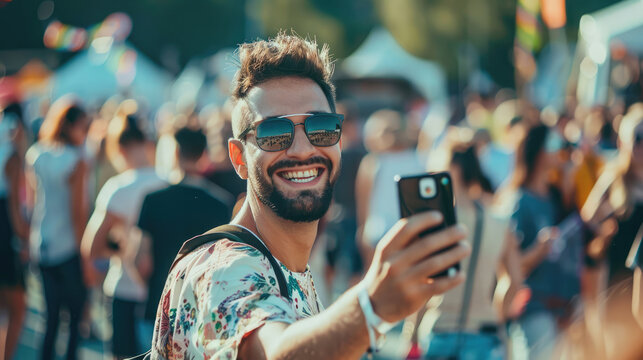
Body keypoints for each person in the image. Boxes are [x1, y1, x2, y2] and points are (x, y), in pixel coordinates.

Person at [149, 33, 470, 360]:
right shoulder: (224, 268)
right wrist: (372, 306)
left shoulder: (289, 268)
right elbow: (273, 352)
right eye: (274, 133)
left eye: (321, 128)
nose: (303, 149)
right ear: (238, 158)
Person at [415, 142, 524, 360]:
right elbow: (515, 280)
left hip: (440, 328)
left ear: (451, 169)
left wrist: (412, 332)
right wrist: (498, 314)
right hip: (483, 330)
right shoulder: (500, 222)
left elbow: (421, 283)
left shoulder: (435, 220)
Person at [136, 126, 233, 347]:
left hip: (158, 305)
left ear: (176, 153)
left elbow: (141, 261)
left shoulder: (153, 199)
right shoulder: (221, 204)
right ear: (203, 155)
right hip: (201, 310)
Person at [82, 113, 166, 359]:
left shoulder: (118, 188)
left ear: (118, 148)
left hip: (124, 290)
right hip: (161, 293)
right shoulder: (168, 182)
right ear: (149, 144)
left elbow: (91, 247)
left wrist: (121, 248)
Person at [504, 124, 583, 360]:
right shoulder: (520, 202)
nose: (560, 150)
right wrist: (538, 251)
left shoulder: (557, 196)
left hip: (565, 308)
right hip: (535, 309)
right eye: (553, 144)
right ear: (538, 151)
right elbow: (510, 267)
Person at [25, 97, 91, 360]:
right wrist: (85, 256)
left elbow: (32, 203)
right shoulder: (77, 160)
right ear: (71, 126)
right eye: (83, 127)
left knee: (49, 319)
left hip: (41, 241)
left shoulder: (37, 154)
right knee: (75, 322)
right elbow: (78, 213)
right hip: (69, 246)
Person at [0, 102, 30, 360]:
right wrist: (22, 238)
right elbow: (12, 204)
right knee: (17, 307)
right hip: (5, 232)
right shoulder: (12, 153)